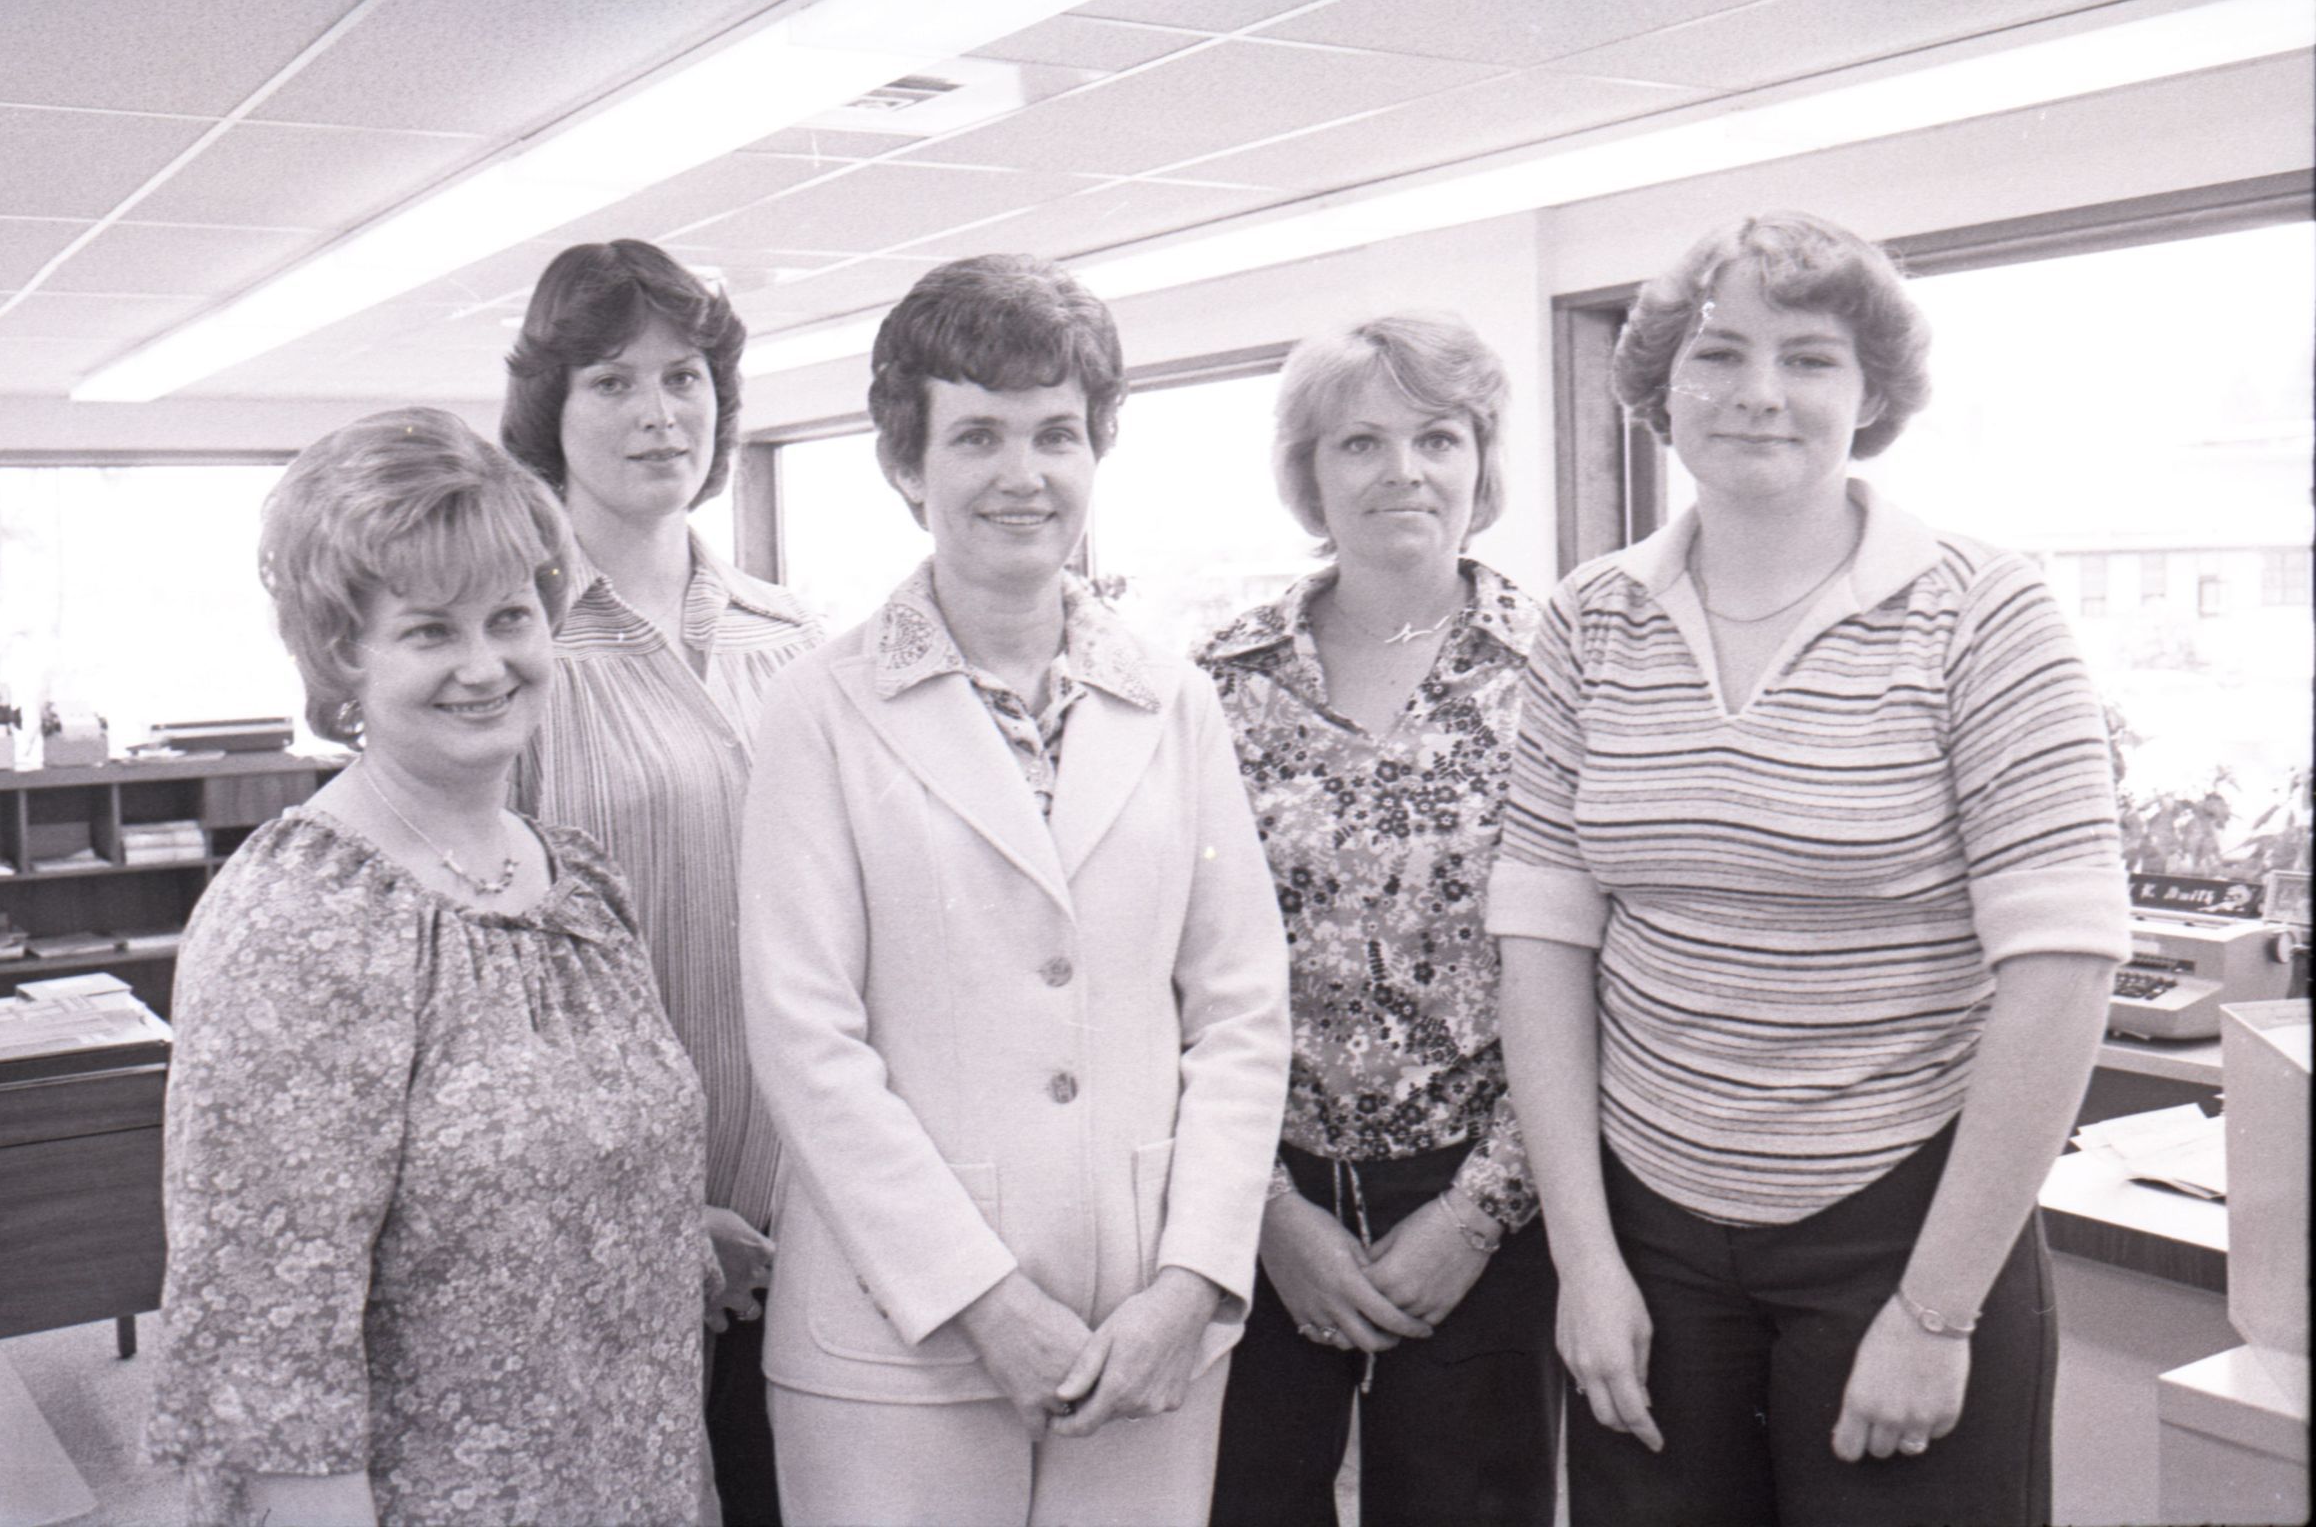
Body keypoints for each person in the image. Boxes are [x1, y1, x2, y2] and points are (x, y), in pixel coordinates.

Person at [1491, 213, 2130, 1526]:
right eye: (1719, 352)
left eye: (1810, 357)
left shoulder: (1983, 610)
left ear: (1873, 391)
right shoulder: (1591, 619)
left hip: (1903, 1223)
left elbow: (2063, 969)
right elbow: (1544, 946)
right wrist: (1585, 1258)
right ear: (1664, 383)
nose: (1760, 391)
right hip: (1649, 1227)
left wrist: (1936, 1310)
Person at [737, 253, 1292, 1527]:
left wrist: (1194, 1279)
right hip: (898, 1333)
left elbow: (1242, 1010)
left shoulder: (1175, 700)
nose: (1022, 473)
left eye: (1055, 433)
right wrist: (982, 1299)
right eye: (977, 435)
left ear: (1097, 448)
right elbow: (807, 1040)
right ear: (905, 461)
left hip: (1141, 1325)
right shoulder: (819, 709)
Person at [146, 408, 711, 1526]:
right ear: (342, 656)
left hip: (628, 1480)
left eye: (510, 616)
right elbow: (268, 1350)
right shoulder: (298, 921)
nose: (484, 665)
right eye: (428, 631)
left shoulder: (577, 884)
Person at [1197, 312, 1561, 1527]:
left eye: (1437, 437)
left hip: (1492, 1196)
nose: (1403, 470)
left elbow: (1599, 974)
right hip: (1261, 1192)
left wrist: (1477, 1215)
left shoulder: (1561, 673)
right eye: (1360, 441)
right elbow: (1169, 964)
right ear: (1309, 471)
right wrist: (1266, 1217)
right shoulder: (1219, 685)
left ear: (1481, 460)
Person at [504, 238, 821, 1526]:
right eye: (613, 381)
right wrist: (656, 1209)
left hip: (811, 1207)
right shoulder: (514, 651)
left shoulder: (794, 635)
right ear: (552, 409)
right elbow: (499, 985)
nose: (659, 413)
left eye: (685, 377)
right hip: (605, 1225)